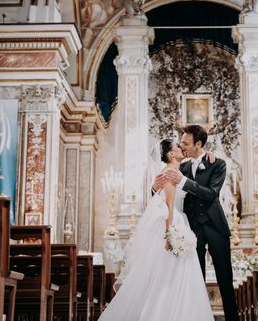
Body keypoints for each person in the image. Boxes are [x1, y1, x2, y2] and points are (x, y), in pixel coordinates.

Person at [99, 139, 214, 321]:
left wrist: (207, 154)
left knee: (176, 274)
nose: (181, 148)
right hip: (173, 223)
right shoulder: (168, 173)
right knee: (170, 275)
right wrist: (169, 235)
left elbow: (196, 161)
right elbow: (168, 205)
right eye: (178, 146)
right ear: (170, 154)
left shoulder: (177, 170)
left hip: (178, 222)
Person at [155, 124, 239, 321]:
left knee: (225, 278)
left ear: (198, 144)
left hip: (215, 225)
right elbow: (163, 189)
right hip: (192, 228)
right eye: (181, 143)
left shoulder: (217, 164)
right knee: (196, 278)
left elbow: (211, 194)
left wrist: (184, 181)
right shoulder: (181, 166)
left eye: (185, 143)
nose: (182, 146)